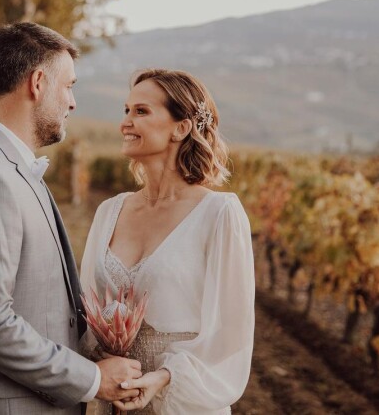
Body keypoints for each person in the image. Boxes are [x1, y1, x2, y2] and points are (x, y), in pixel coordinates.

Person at [0, 22, 142, 415]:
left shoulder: (5, 165)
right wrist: (92, 380)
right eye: (69, 85)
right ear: (38, 83)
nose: (73, 102)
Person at [81, 69, 255, 414]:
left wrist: (163, 377)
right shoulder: (109, 211)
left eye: (141, 111)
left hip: (179, 402)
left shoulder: (219, 214)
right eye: (125, 110)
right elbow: (84, 310)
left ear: (181, 127)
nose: (125, 123)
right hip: (112, 400)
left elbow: (230, 333)